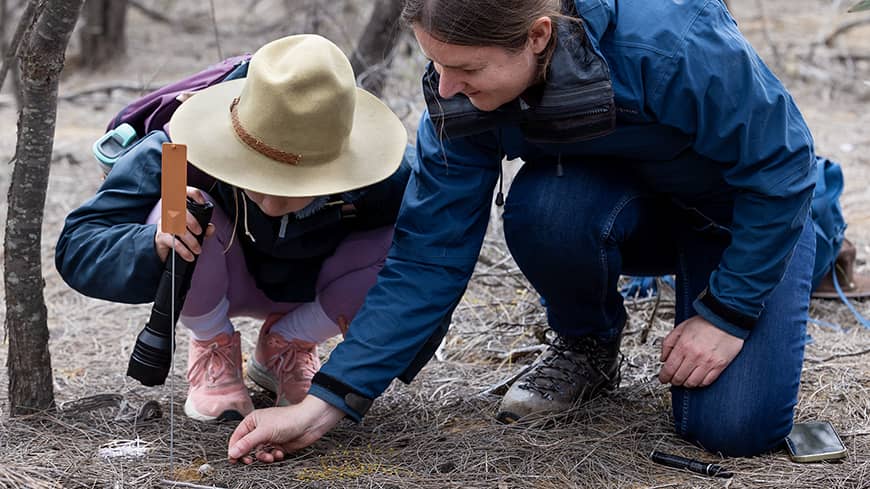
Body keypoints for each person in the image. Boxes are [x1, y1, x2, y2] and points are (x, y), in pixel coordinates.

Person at [226, 0, 823, 462]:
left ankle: (811, 247)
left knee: (733, 432)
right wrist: (330, 401)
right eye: (434, 63)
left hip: (744, 214)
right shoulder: (455, 94)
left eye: (465, 68)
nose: (446, 85)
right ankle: (588, 342)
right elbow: (428, 255)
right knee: (545, 208)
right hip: (623, 207)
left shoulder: (669, 39)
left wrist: (727, 313)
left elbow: (784, 166)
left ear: (539, 36)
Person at [55, 34, 411, 422]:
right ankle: (212, 345)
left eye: (297, 186)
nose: (273, 205)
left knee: (408, 242)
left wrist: (371, 340)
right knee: (175, 206)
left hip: (317, 287)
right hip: (218, 275)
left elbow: (432, 266)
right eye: (259, 178)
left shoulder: (385, 173)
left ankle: (288, 344)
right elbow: (78, 243)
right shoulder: (179, 152)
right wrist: (153, 243)